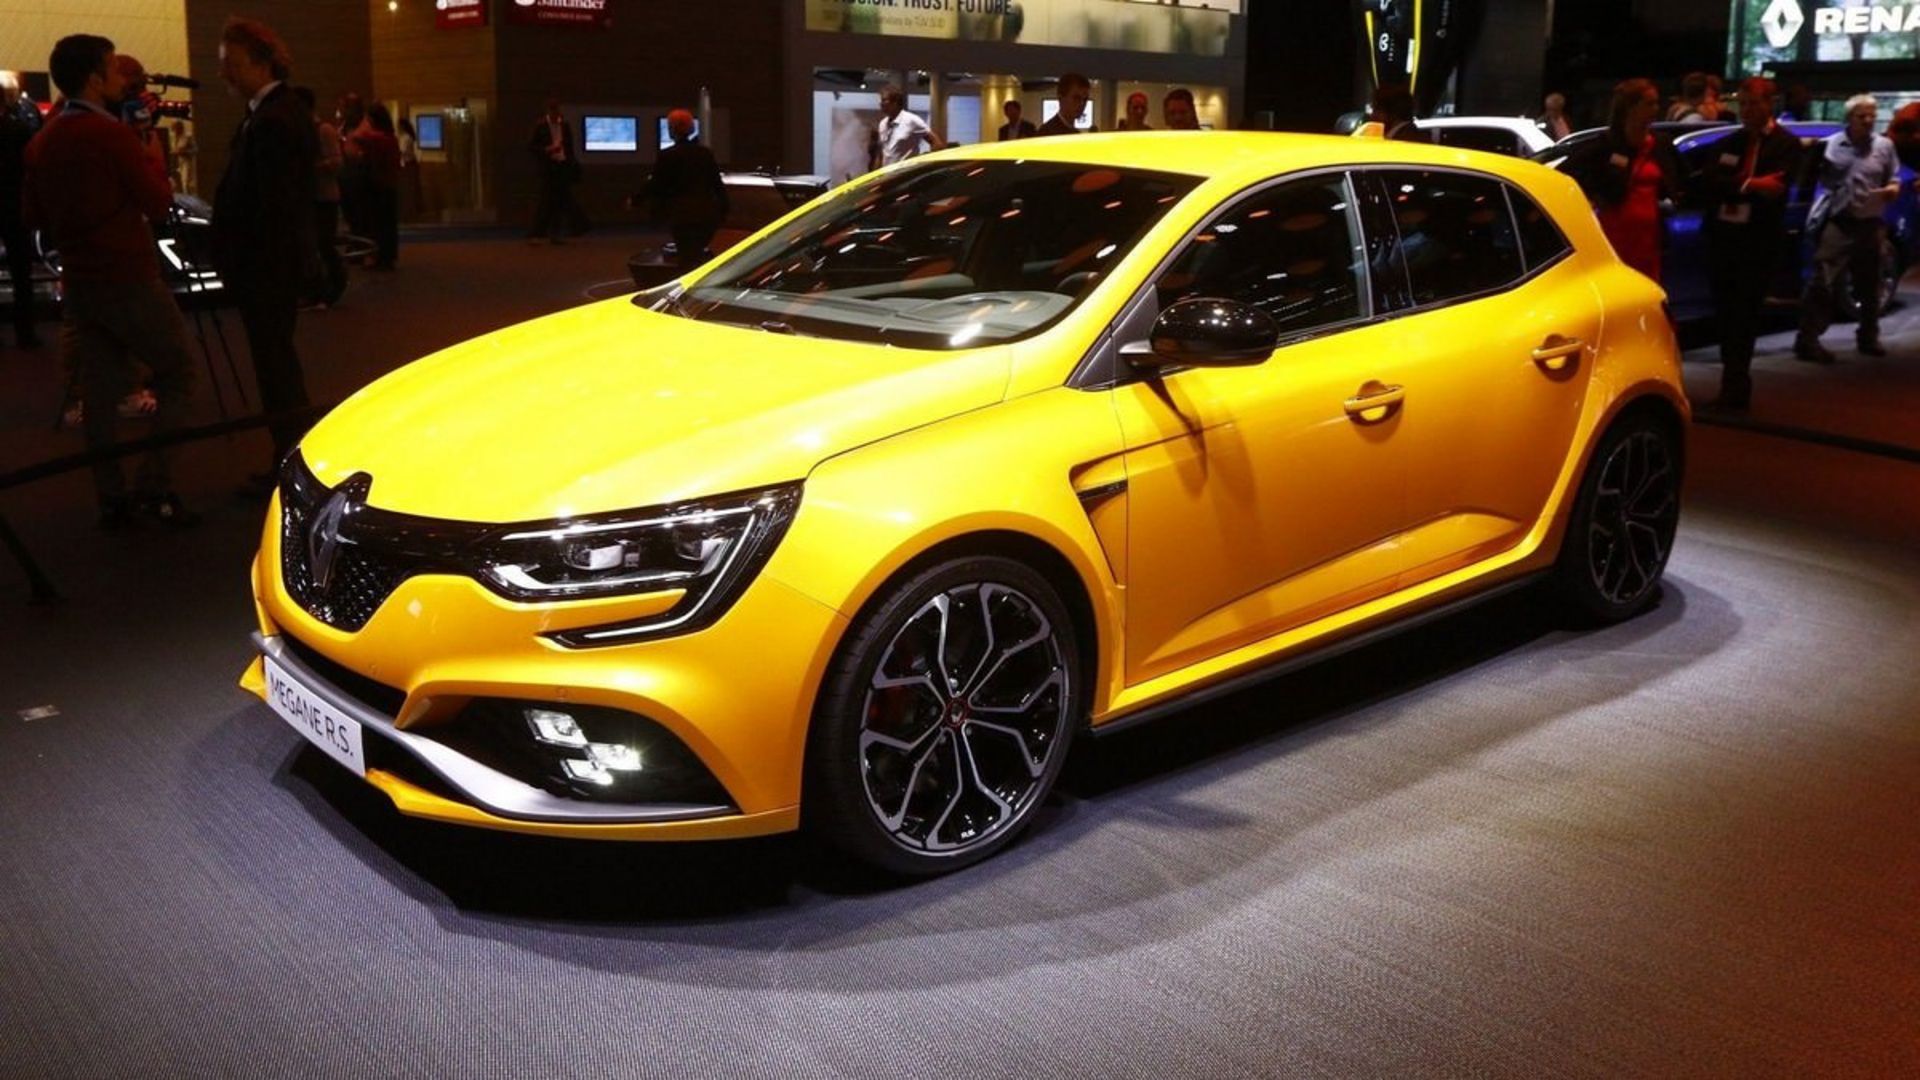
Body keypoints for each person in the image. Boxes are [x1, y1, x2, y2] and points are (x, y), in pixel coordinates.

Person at [23, 33, 198, 527]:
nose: (122, 77)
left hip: (81, 281)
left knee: (98, 393)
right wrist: (147, 145)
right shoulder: (113, 136)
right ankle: (155, 487)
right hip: (128, 275)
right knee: (179, 373)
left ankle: (112, 497)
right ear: (95, 79)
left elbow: (32, 214)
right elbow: (158, 202)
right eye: (114, 69)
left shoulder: (43, 140)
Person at [210, 17, 319, 497]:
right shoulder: (275, 112)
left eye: (231, 64)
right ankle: (289, 459)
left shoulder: (274, 120)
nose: (224, 73)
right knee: (277, 365)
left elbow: (272, 206)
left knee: (276, 369)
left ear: (261, 63)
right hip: (270, 265)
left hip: (266, 267)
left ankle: (289, 464)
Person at [1697, 78, 1801, 411]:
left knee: (1745, 316)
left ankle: (1736, 385)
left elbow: (1777, 189)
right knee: (1725, 314)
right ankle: (1732, 384)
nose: (1746, 110)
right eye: (1742, 104)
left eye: (1753, 103)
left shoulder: (1786, 145)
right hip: (1723, 240)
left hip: (1757, 243)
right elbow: (1710, 182)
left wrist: (1739, 186)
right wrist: (1750, 184)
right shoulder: (1730, 142)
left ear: (1770, 103)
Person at [1795, 94, 1900, 364]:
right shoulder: (1830, 145)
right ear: (1849, 118)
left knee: (1871, 283)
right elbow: (1808, 173)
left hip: (1871, 222)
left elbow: (1894, 178)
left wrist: (1892, 189)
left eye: (1872, 115)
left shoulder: (1885, 146)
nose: (1868, 120)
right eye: (1861, 116)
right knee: (1822, 280)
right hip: (1839, 221)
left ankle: (1868, 337)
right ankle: (1807, 339)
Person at [1563, 78, 1683, 282]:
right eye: (1649, 103)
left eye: (1656, 103)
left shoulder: (1660, 144)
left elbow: (1681, 179)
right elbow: (1566, 175)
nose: (1656, 109)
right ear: (1630, 108)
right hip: (1613, 234)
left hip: (1650, 236)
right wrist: (1591, 200)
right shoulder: (1606, 145)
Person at [638, 108, 727, 272]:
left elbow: (657, 183)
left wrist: (637, 199)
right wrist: (723, 209)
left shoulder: (668, 155)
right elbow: (716, 183)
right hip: (705, 212)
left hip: (682, 214)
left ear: (672, 130)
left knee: (686, 255)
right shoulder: (705, 153)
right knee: (698, 253)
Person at [0, 69, 43, 349]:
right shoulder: (18, 130)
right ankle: (25, 331)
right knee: (21, 273)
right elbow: (31, 168)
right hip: (14, 205)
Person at [294, 86, 345, 308]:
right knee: (309, 246)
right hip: (308, 196)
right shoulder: (303, 130)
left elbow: (336, 161)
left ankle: (333, 286)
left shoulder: (324, 130)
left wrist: (312, 167)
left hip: (324, 196)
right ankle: (315, 289)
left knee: (324, 244)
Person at [527, 97, 586, 243]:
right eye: (554, 112)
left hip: (562, 166)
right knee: (546, 201)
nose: (556, 115)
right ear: (548, 112)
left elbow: (569, 147)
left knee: (559, 202)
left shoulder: (564, 126)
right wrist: (547, 149)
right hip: (549, 167)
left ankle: (555, 233)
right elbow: (531, 147)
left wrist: (570, 162)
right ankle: (538, 233)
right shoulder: (541, 127)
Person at [350, 102, 400, 269]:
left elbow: (356, 137)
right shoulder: (391, 137)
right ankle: (387, 257)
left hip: (377, 186)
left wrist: (363, 123)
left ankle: (378, 256)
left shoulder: (376, 138)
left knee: (377, 224)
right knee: (388, 224)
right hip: (389, 186)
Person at [873, 84, 943, 166]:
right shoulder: (882, 124)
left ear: (895, 102)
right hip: (887, 172)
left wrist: (925, 164)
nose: (881, 104)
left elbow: (937, 144)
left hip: (905, 172)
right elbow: (880, 153)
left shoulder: (911, 120)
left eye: (884, 100)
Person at [334, 91, 367, 238]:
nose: (340, 111)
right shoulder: (343, 127)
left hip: (360, 176)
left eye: (343, 107)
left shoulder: (365, 126)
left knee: (361, 215)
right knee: (350, 215)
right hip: (345, 176)